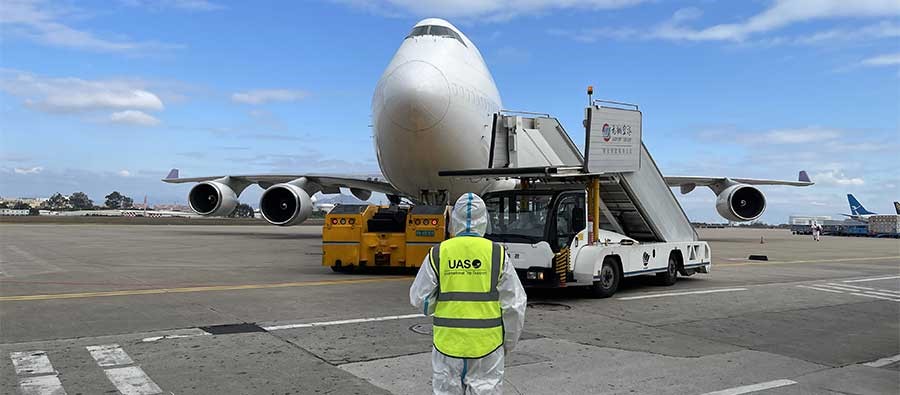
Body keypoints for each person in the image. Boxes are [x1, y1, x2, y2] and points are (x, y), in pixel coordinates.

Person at [410, 193, 527, 395]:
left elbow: (420, 299)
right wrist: (508, 343)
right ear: (485, 220)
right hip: (487, 346)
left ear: (454, 219)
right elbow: (514, 305)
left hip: (448, 345)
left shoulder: (439, 252)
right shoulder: (497, 254)